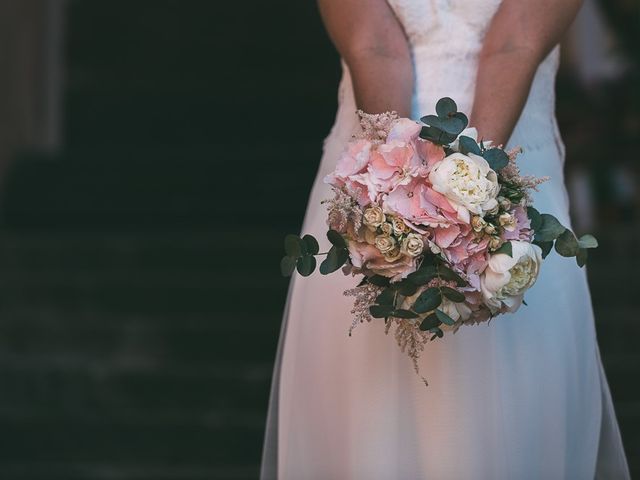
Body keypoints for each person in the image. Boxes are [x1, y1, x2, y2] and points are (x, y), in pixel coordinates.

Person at [261, 0, 631, 478]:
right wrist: (393, 193)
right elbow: (371, 45)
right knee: (367, 429)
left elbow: (516, 42)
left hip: (513, 151)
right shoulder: (384, 182)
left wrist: (476, 198)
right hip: (374, 164)